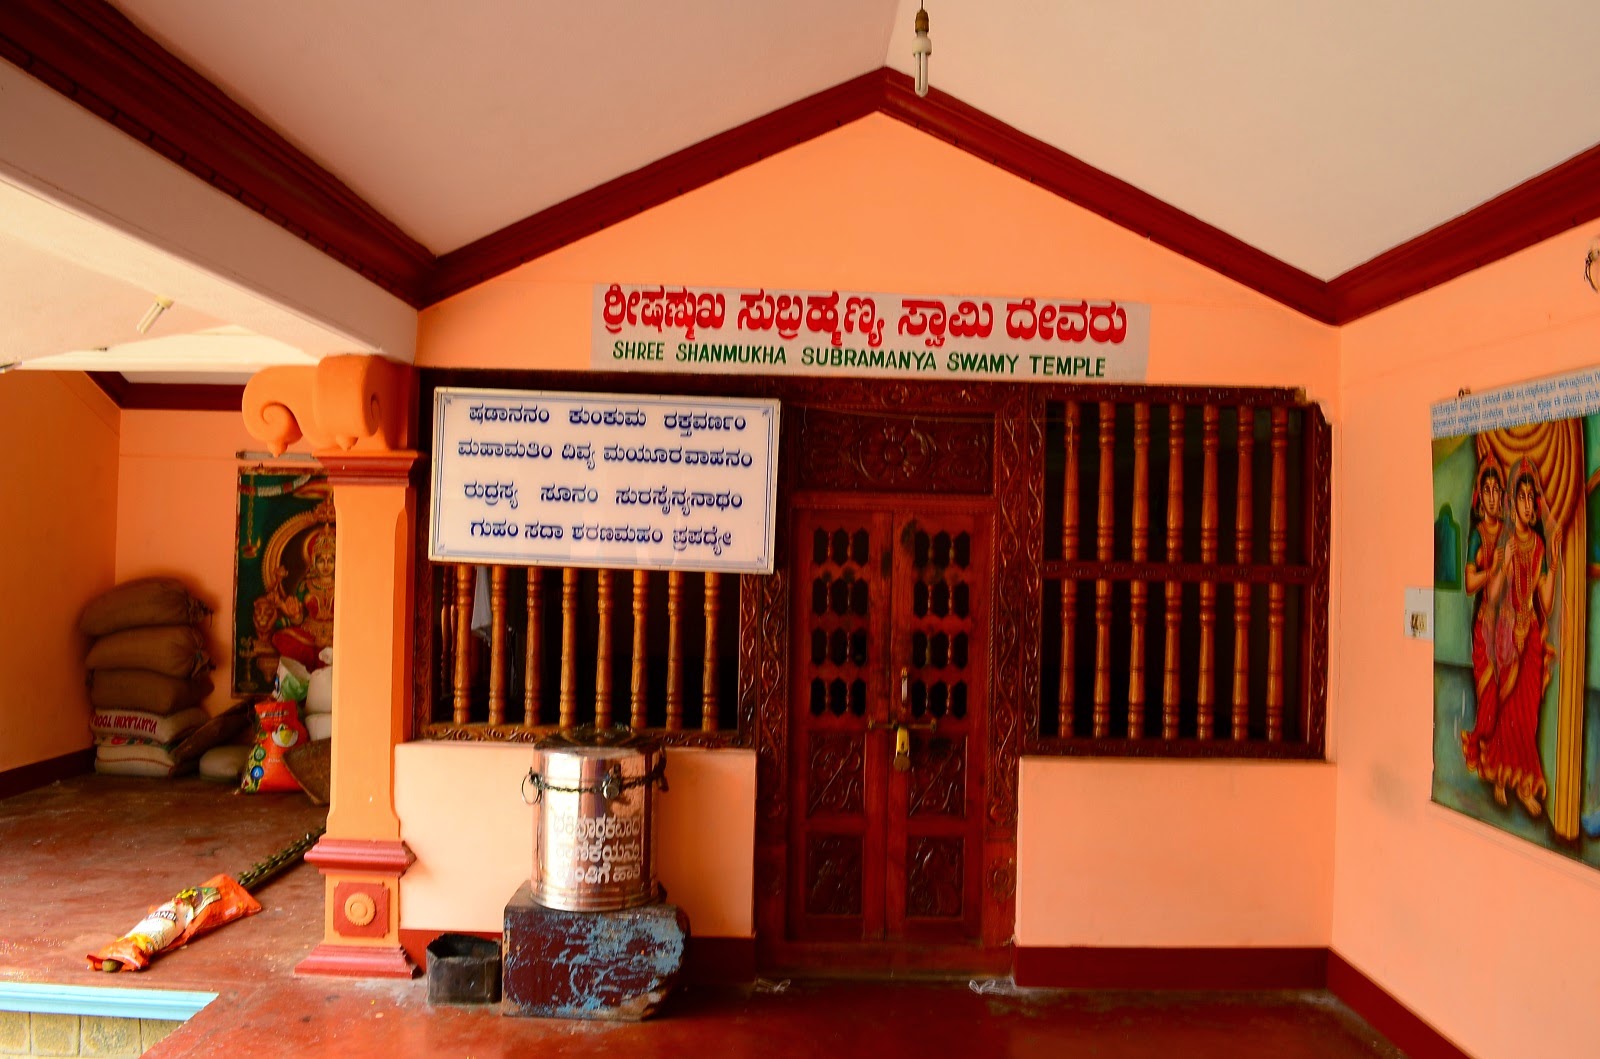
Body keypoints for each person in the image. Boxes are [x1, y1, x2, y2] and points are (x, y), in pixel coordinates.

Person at [1462, 461, 1556, 817]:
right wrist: (1501, 565)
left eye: (1534, 499)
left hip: (1529, 634)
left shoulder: (1539, 547)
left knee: (1527, 717)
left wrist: (1555, 559)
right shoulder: (1501, 541)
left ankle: (1525, 784)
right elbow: (1493, 590)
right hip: (1503, 635)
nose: (1530, 506)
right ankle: (1500, 775)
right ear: (1513, 502)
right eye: (1524, 498)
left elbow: (1545, 600)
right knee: (1505, 711)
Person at [1460, 460, 1504, 775]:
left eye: (1495, 491)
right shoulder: (1478, 535)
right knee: (1487, 691)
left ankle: (1494, 751)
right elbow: (1469, 583)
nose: (1491, 497)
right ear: (1480, 496)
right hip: (1484, 624)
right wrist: (1493, 568)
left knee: (1505, 692)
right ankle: (1477, 743)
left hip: (1508, 622)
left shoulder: (1508, 531)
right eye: (1486, 490)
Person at [268, 523, 336, 669]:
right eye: (320, 561)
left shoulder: (343, 584)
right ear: (313, 562)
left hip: (337, 634)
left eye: (330, 560)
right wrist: (292, 614)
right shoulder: (305, 585)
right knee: (280, 637)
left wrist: (332, 637)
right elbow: (298, 620)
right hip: (310, 632)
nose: (325, 565)